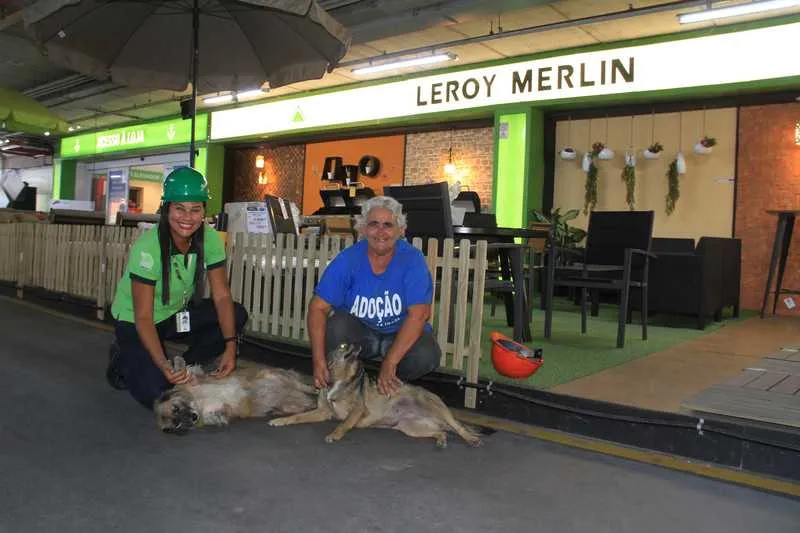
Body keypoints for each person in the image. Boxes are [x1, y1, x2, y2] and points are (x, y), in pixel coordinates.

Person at [106, 166, 248, 409]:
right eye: (179, 208)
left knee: (236, 314)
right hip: (137, 321)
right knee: (158, 394)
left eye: (195, 209)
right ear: (166, 208)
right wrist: (163, 365)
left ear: (204, 210)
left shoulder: (210, 238)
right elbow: (143, 317)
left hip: (173, 315)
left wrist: (230, 346)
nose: (187, 217)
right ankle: (123, 358)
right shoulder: (148, 248)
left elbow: (222, 296)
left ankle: (185, 367)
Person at [307, 195, 441, 396]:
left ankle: (388, 384)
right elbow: (318, 308)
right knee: (336, 325)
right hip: (362, 336)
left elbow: (419, 315)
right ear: (363, 228)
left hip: (398, 333)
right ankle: (356, 380)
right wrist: (318, 361)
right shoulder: (348, 259)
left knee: (426, 355)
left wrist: (390, 362)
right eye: (374, 224)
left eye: (388, 224)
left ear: (400, 230)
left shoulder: (412, 260)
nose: (381, 231)